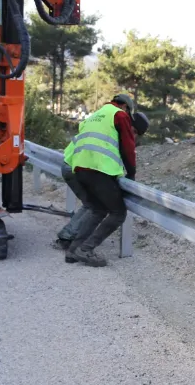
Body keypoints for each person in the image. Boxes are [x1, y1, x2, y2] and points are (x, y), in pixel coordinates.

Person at [62, 95, 148, 266]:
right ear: (124, 106)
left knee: (97, 209)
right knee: (118, 213)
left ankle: (73, 251)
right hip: (98, 169)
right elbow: (128, 148)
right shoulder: (119, 115)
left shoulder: (95, 115)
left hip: (79, 167)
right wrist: (131, 175)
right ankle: (86, 249)